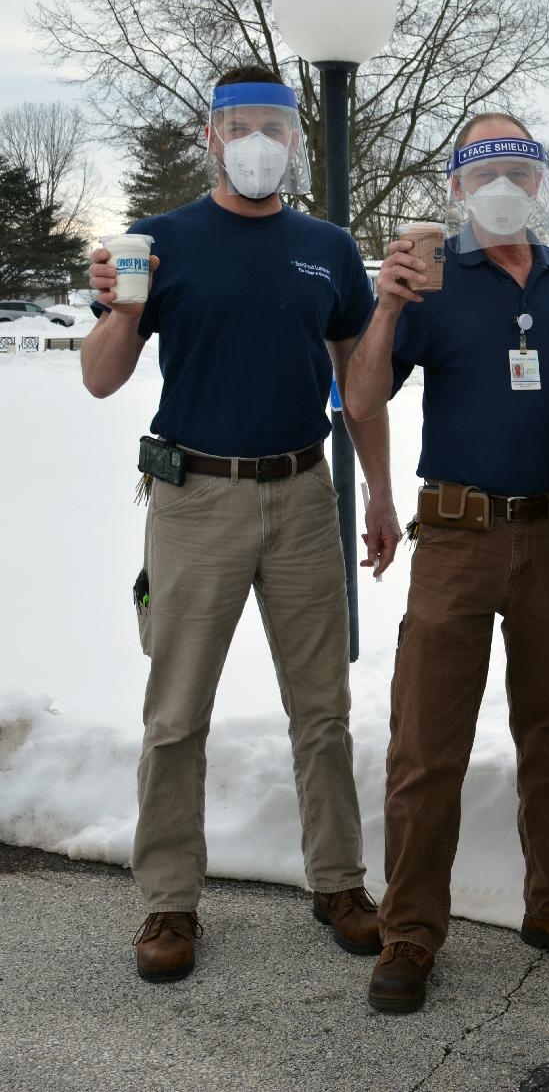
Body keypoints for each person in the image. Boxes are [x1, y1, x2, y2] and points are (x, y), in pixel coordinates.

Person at [80, 65, 400, 983]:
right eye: (240, 125)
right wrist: (124, 308)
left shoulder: (328, 248)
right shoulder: (161, 241)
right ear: (212, 136)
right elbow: (102, 376)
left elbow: (360, 387)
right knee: (176, 714)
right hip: (195, 497)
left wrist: (376, 492)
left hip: (304, 494)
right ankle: (169, 902)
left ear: (297, 139)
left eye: (275, 125)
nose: (258, 141)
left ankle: (339, 882)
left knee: (322, 710)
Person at [342, 114, 549, 1014]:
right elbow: (363, 396)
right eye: (484, 167)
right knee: (428, 743)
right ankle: (410, 929)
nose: (504, 182)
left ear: (541, 182)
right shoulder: (429, 281)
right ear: (457, 186)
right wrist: (385, 304)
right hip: (456, 537)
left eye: (519, 167)